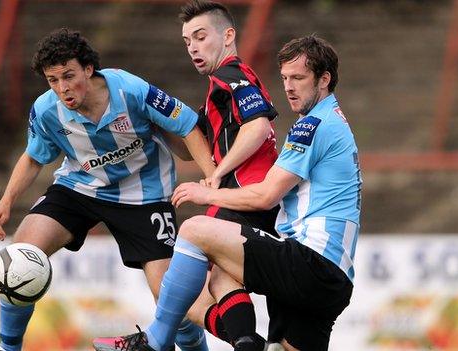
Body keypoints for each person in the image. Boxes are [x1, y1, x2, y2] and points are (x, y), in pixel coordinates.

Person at [95, 35, 362, 351]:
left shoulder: (313, 125)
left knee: (195, 230)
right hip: (333, 279)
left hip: (311, 262)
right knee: (220, 278)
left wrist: (208, 194)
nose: (289, 86)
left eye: (299, 78)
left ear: (325, 79)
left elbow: (265, 195)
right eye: (285, 78)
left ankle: (155, 341)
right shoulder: (331, 121)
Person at [0, 28, 217, 351]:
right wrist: (5, 202)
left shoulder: (130, 91)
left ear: (89, 69)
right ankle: (8, 348)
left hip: (144, 194)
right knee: (19, 256)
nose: (63, 89)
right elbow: (33, 157)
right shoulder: (46, 110)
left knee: (173, 301)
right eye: (53, 80)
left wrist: (213, 181)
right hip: (80, 189)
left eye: (69, 76)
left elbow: (188, 125)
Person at [93, 1, 280, 350]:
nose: (193, 46)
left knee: (187, 255)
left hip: (243, 193)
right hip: (249, 197)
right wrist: (154, 124)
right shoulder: (217, 91)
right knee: (220, 282)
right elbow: (191, 147)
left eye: (200, 36)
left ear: (228, 35)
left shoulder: (230, 74)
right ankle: (249, 344)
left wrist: (216, 177)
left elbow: (258, 126)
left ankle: (155, 339)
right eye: (186, 41)